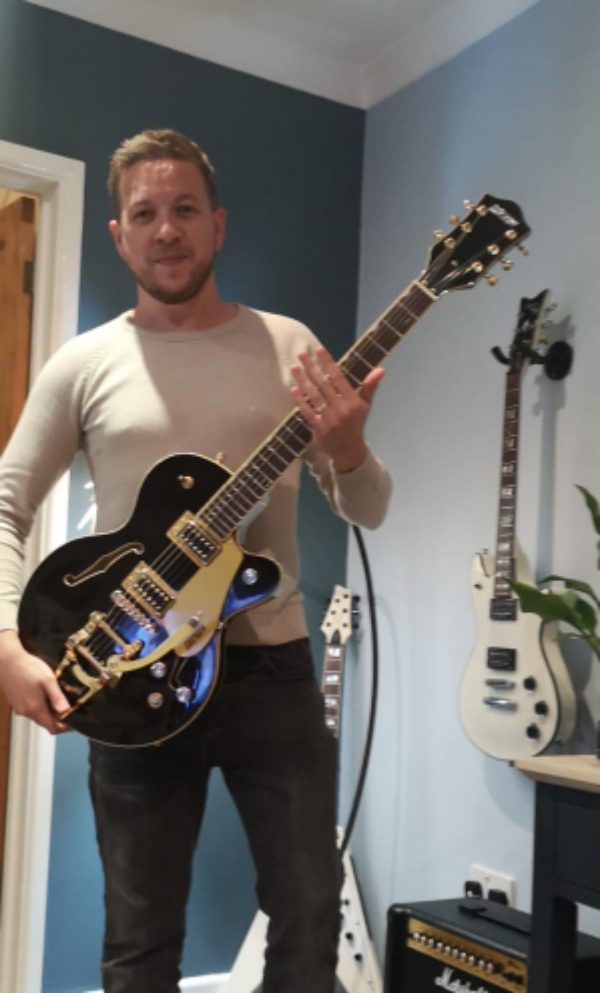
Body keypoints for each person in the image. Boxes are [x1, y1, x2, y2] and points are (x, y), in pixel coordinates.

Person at [0, 128, 391, 993]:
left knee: (309, 912)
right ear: (118, 235)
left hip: (272, 671)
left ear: (218, 224)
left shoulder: (291, 346)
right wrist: (4, 642)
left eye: (185, 209)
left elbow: (367, 508)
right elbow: (6, 500)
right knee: (139, 939)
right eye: (145, 214)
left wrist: (350, 450)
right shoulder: (84, 362)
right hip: (129, 671)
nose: (166, 229)